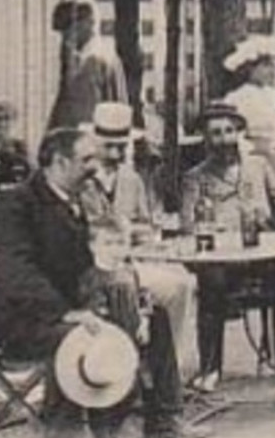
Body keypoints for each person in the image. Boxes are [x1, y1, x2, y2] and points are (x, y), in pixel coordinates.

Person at [0, 127, 205, 438]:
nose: (94, 167)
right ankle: (66, 434)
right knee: (77, 334)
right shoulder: (17, 203)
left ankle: (162, 417)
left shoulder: (72, 199)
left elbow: (83, 266)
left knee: (150, 313)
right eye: (86, 159)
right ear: (59, 161)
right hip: (18, 319)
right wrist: (67, 311)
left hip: (56, 307)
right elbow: (16, 273)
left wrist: (119, 292)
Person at [180, 103, 275, 390]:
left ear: (239, 132)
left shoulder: (258, 165)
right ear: (205, 138)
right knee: (211, 282)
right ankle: (210, 368)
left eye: (229, 131)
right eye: (216, 133)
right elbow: (188, 227)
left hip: (261, 253)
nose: (224, 139)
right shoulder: (195, 178)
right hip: (222, 259)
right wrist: (217, 230)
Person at [76, 102, 199, 380]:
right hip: (93, 266)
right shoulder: (80, 180)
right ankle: (130, 369)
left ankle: (170, 370)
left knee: (181, 282)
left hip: (129, 260)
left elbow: (145, 225)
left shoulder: (131, 180)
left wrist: (143, 234)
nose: (116, 154)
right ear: (93, 144)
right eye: (108, 146)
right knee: (145, 290)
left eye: (121, 147)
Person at [47, 0, 127, 132]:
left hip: (87, 144)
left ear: (87, 23)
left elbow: (78, 113)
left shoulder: (92, 62)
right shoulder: (108, 56)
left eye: (68, 29)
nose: (66, 37)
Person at [220, 34, 275, 189]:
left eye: (273, 65)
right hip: (251, 157)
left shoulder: (271, 94)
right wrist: (253, 148)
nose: (271, 70)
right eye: (265, 66)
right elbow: (232, 133)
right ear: (249, 68)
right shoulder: (236, 98)